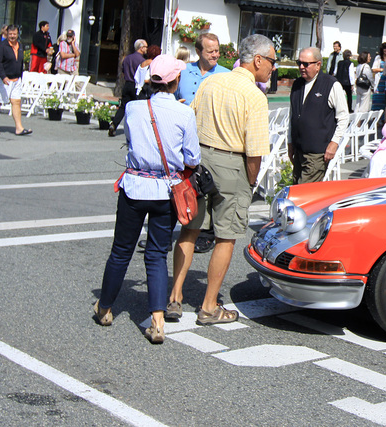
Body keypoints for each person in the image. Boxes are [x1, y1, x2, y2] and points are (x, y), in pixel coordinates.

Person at [167, 35, 275, 326]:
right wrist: (251, 182)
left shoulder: (211, 81)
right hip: (232, 164)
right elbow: (255, 152)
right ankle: (208, 305)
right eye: (273, 61)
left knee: (189, 229)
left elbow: (190, 120)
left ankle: (174, 297)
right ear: (258, 60)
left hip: (200, 159)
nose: (273, 68)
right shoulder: (254, 95)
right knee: (225, 237)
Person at [93, 55, 198, 344]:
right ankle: (158, 320)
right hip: (167, 191)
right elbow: (193, 157)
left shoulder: (133, 108)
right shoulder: (184, 114)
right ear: (176, 82)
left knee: (121, 251)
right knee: (156, 254)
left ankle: (104, 308)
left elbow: (130, 139)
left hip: (134, 186)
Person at [288, 46, 350, 184]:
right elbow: (292, 115)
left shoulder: (331, 85)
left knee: (305, 192)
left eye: (306, 64)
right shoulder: (297, 84)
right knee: (296, 188)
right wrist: (290, 142)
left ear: (318, 65)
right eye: (299, 63)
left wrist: (334, 143)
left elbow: (343, 117)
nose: (301, 67)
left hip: (317, 152)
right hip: (299, 149)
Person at [0, 25, 30, 136]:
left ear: (17, 34)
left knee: (16, 102)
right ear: (7, 34)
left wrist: (21, 76)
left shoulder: (20, 46)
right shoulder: (2, 46)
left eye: (14, 34)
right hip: (1, 78)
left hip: (16, 79)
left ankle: (19, 128)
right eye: (10, 34)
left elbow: (20, 62)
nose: (12, 36)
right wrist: (3, 77)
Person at [175, 32, 229, 106]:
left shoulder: (226, 75)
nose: (215, 55)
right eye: (210, 52)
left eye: (217, 51)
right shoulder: (184, 70)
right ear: (198, 52)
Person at [110, 39, 148, 136]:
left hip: (127, 83)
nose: (147, 49)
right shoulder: (142, 61)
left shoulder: (127, 58)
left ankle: (114, 124)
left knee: (123, 106)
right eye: (146, 47)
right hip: (136, 85)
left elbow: (123, 71)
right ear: (141, 48)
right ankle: (136, 130)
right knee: (137, 107)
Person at [371, 42, 386, 115]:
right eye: (385, 48)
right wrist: (382, 70)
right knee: (377, 101)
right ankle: (375, 117)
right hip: (379, 82)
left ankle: (384, 118)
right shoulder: (378, 58)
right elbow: (373, 69)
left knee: (385, 102)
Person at [334, 48, 354, 113]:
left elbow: (335, 72)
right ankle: (349, 108)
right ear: (350, 56)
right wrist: (352, 84)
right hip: (347, 82)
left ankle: (337, 107)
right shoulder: (350, 63)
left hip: (339, 81)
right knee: (349, 96)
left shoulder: (339, 63)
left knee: (338, 95)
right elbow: (351, 74)